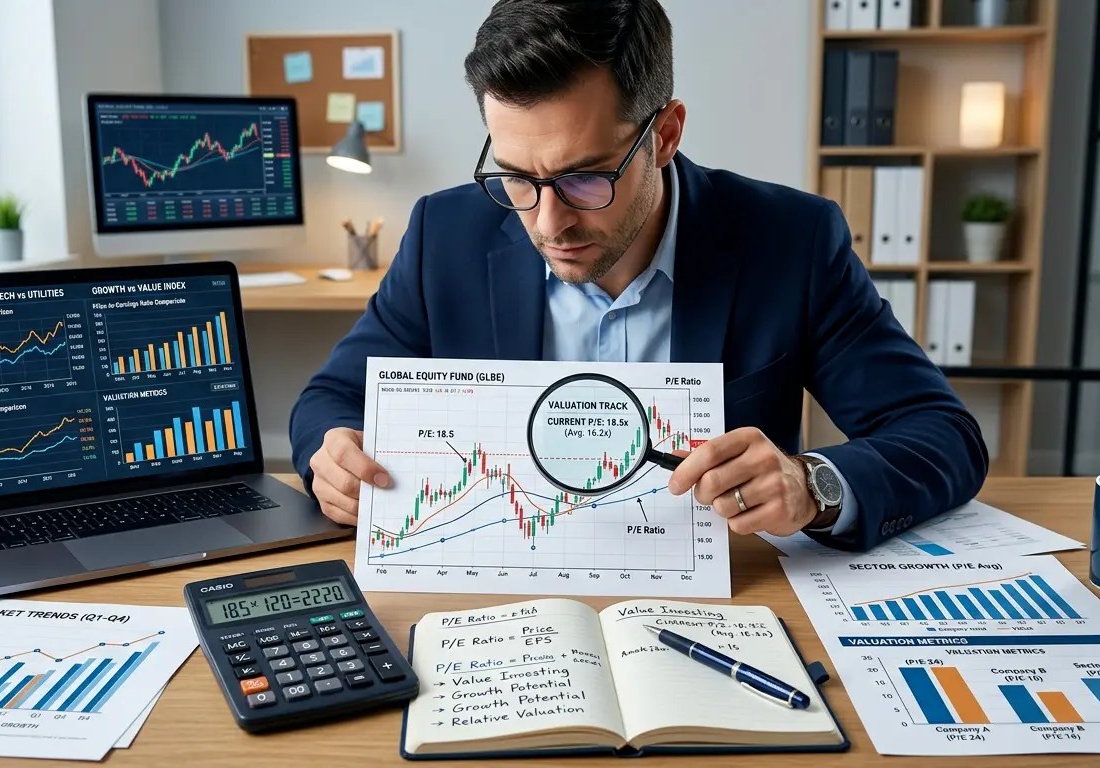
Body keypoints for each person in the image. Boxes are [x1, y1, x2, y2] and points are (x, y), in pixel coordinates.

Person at [290, 0, 987, 552]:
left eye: (584, 178)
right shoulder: (445, 235)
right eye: (516, 176)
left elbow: (943, 434)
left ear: (665, 135)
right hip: (503, 593)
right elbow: (331, 399)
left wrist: (814, 485)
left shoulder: (791, 241)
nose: (547, 223)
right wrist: (332, 457)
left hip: (727, 597)